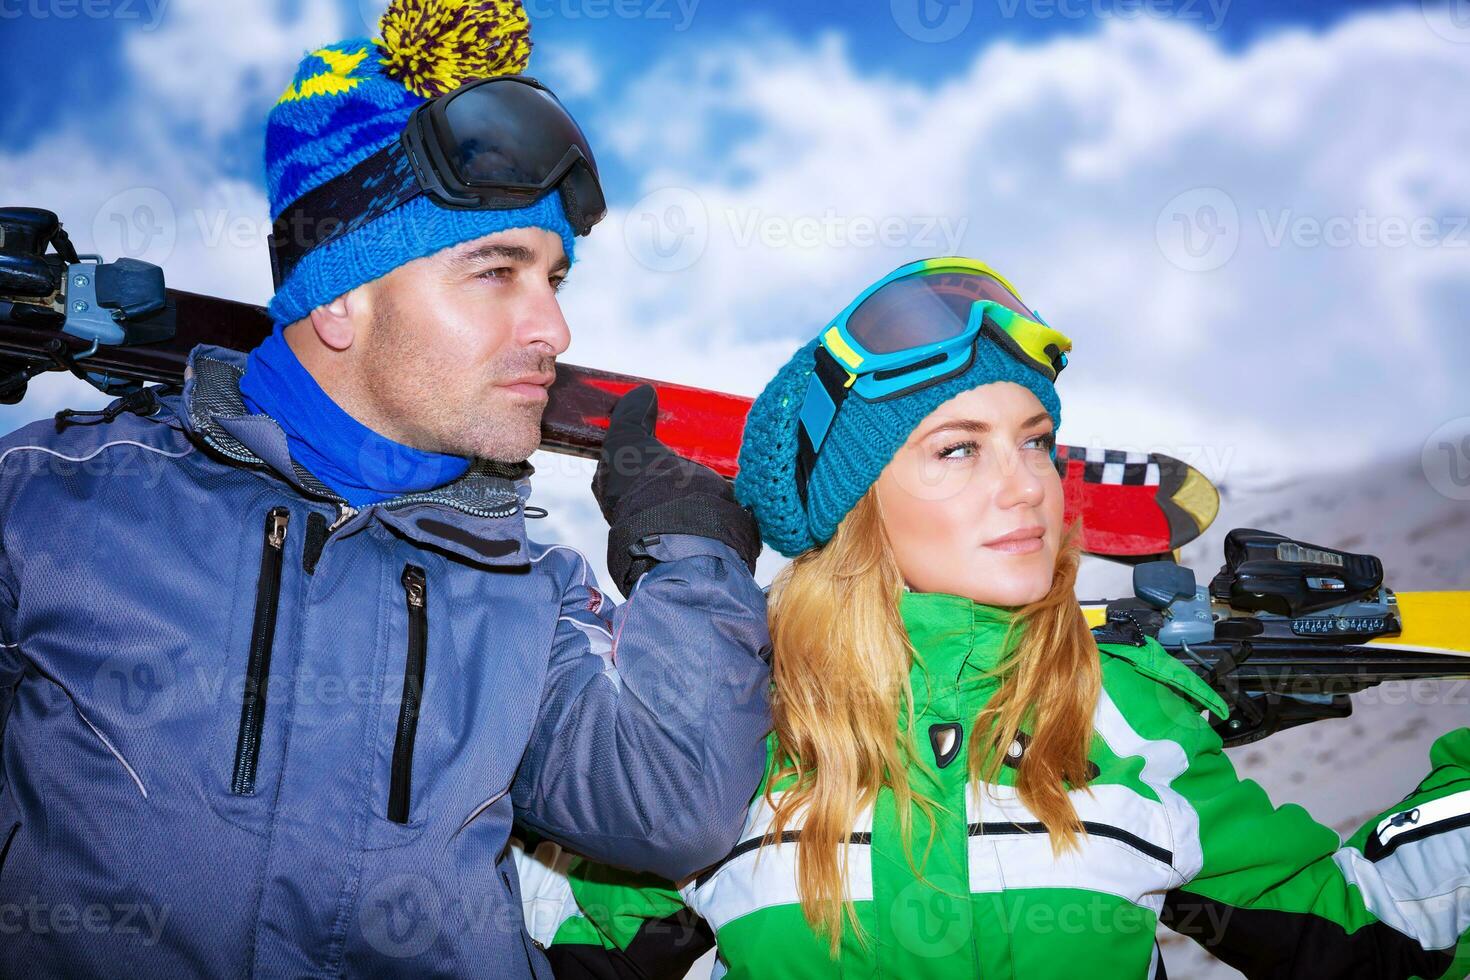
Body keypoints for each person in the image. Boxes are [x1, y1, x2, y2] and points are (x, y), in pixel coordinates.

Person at [0, 1, 771, 976]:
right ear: (338, 298)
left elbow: (670, 807)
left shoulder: (524, 584)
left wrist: (692, 549)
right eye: (496, 271)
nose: (554, 330)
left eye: (554, 280)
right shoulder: (58, 504)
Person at [514, 257, 1470, 979]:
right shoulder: (730, 736)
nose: (1026, 489)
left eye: (1036, 442)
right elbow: (527, 939)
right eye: (958, 451)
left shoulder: (1127, 722)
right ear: (859, 507)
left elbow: (1374, 929)